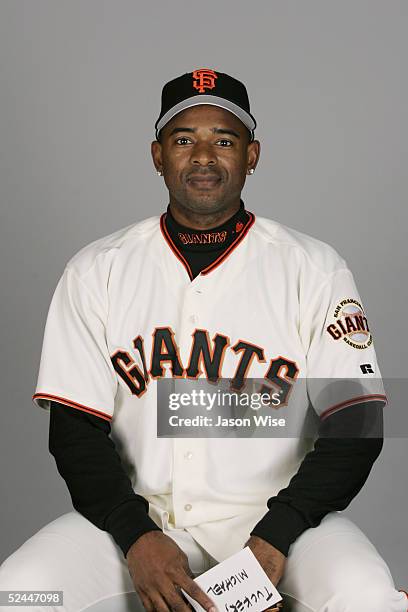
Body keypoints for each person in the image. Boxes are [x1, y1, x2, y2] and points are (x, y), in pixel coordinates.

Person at [0, 68, 406, 612]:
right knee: (21, 592)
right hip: (135, 521)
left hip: (282, 523)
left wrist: (278, 534)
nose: (204, 156)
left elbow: (357, 423)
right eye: (185, 139)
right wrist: (136, 536)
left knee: (367, 599)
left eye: (225, 140)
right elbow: (74, 431)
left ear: (253, 154)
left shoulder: (313, 267)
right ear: (158, 155)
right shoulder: (98, 269)